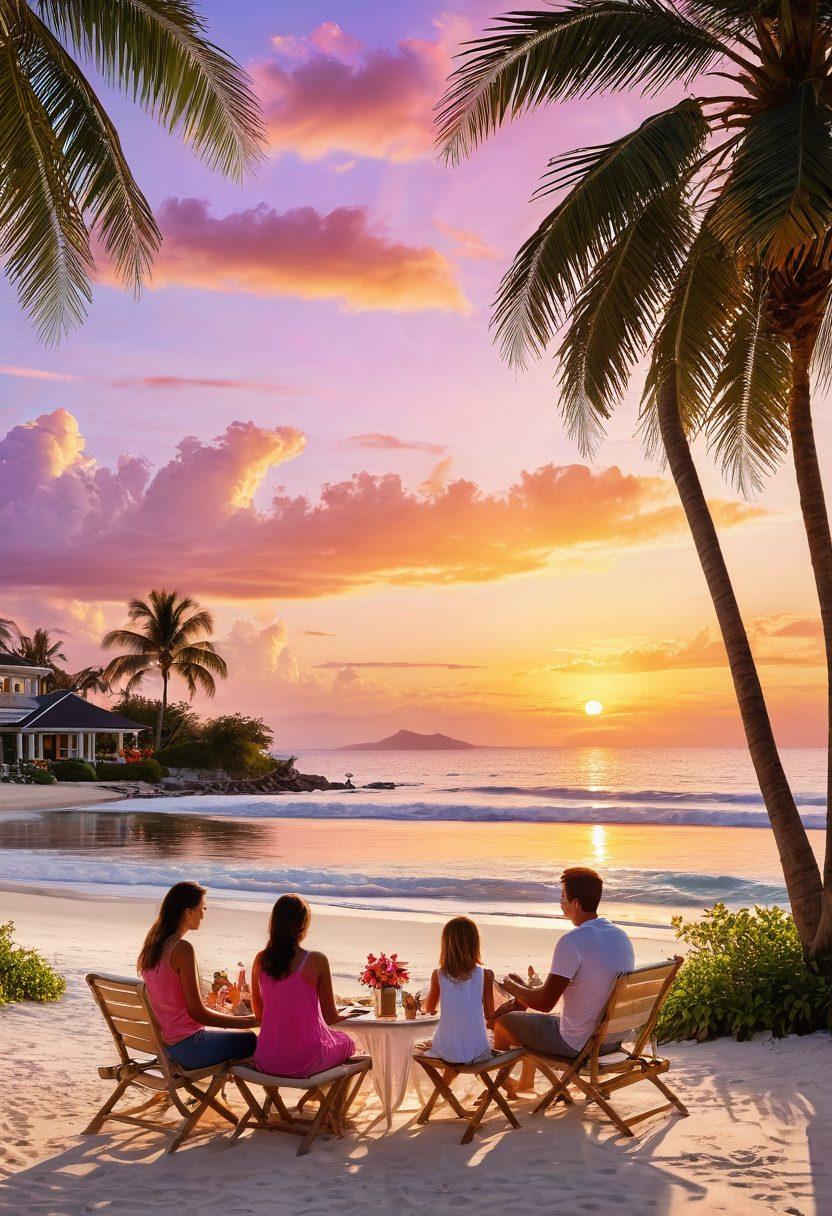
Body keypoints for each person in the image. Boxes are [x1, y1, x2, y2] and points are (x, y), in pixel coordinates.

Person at [494, 867, 634, 1087]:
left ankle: (501, 1086)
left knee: (504, 1023)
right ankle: (526, 1082)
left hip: (578, 1044)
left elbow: (544, 1004)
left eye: (563, 898)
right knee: (533, 1023)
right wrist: (527, 990)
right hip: (614, 1039)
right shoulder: (620, 935)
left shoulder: (572, 942)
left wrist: (512, 987)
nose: (561, 903)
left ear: (576, 903)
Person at [138, 881, 258, 1069]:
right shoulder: (181, 949)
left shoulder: (152, 949)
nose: (203, 914)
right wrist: (250, 1021)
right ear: (188, 912)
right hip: (189, 1048)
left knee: (234, 1034)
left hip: (168, 1046)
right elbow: (198, 1014)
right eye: (203, 908)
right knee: (251, 1038)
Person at [251, 893, 355, 1077]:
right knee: (349, 1042)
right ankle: (330, 1103)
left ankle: (320, 1097)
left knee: (333, 1041)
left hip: (266, 1060)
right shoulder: (316, 960)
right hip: (305, 1061)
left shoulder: (261, 959)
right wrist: (349, 1014)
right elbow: (331, 1017)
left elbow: (260, 1014)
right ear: (302, 926)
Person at [423, 915, 494, 1065]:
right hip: (477, 1048)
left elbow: (429, 1008)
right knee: (474, 1049)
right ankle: (506, 1086)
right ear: (475, 944)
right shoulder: (485, 975)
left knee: (422, 1045)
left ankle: (444, 1087)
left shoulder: (438, 975)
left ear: (445, 945)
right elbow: (490, 1014)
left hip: (445, 1049)